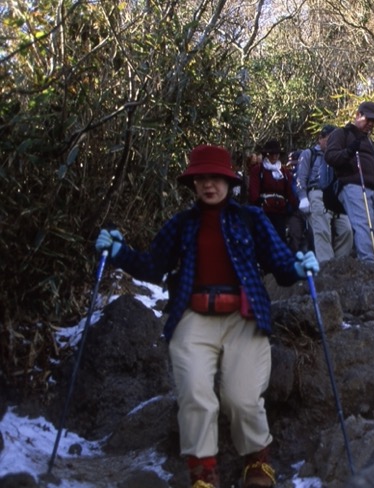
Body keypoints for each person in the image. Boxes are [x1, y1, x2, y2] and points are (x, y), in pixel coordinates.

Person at [94, 144, 320, 488]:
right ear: (193, 183)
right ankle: (203, 473)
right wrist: (119, 252)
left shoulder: (251, 218)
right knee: (195, 394)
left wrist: (299, 266)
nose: (208, 184)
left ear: (229, 182)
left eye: (216, 177)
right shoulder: (182, 224)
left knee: (242, 398)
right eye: (201, 178)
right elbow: (153, 265)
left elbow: (280, 264)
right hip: (193, 317)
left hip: (244, 318)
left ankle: (257, 462)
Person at [324, 101, 374, 265]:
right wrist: (348, 152)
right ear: (358, 115)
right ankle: (367, 265)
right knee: (365, 226)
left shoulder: (370, 143)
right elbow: (330, 157)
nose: (371, 124)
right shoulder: (342, 133)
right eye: (368, 119)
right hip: (353, 186)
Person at [296, 125, 353, 263]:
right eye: (328, 139)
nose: (331, 143)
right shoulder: (309, 154)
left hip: (335, 195)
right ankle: (326, 265)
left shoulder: (336, 157)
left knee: (347, 230)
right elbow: (301, 178)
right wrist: (303, 198)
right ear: (320, 138)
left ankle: (339, 264)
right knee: (322, 229)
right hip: (317, 193)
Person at [249, 140, 298, 244]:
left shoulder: (284, 172)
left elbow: (289, 190)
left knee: (280, 238)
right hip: (264, 210)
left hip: (280, 211)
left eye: (276, 154)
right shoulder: (258, 170)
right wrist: (257, 202)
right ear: (267, 154)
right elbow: (254, 190)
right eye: (272, 154)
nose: (274, 156)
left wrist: (293, 204)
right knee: (264, 238)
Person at [285, 150, 312, 253]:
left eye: (295, 164)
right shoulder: (286, 175)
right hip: (293, 211)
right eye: (292, 165)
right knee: (295, 235)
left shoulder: (306, 174)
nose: (294, 167)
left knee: (311, 236)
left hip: (308, 210)